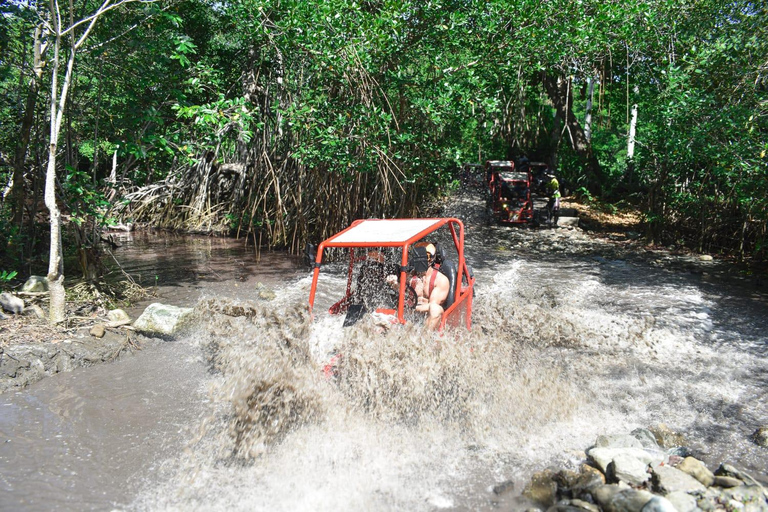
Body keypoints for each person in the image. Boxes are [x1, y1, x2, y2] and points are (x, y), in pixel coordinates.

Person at [387, 243, 449, 330]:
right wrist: (394, 283)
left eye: (424, 256)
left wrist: (413, 307)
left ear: (431, 258)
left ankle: (425, 339)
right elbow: (403, 291)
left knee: (436, 309)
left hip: (428, 316)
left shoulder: (440, 280)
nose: (417, 260)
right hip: (410, 313)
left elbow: (432, 305)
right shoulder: (409, 276)